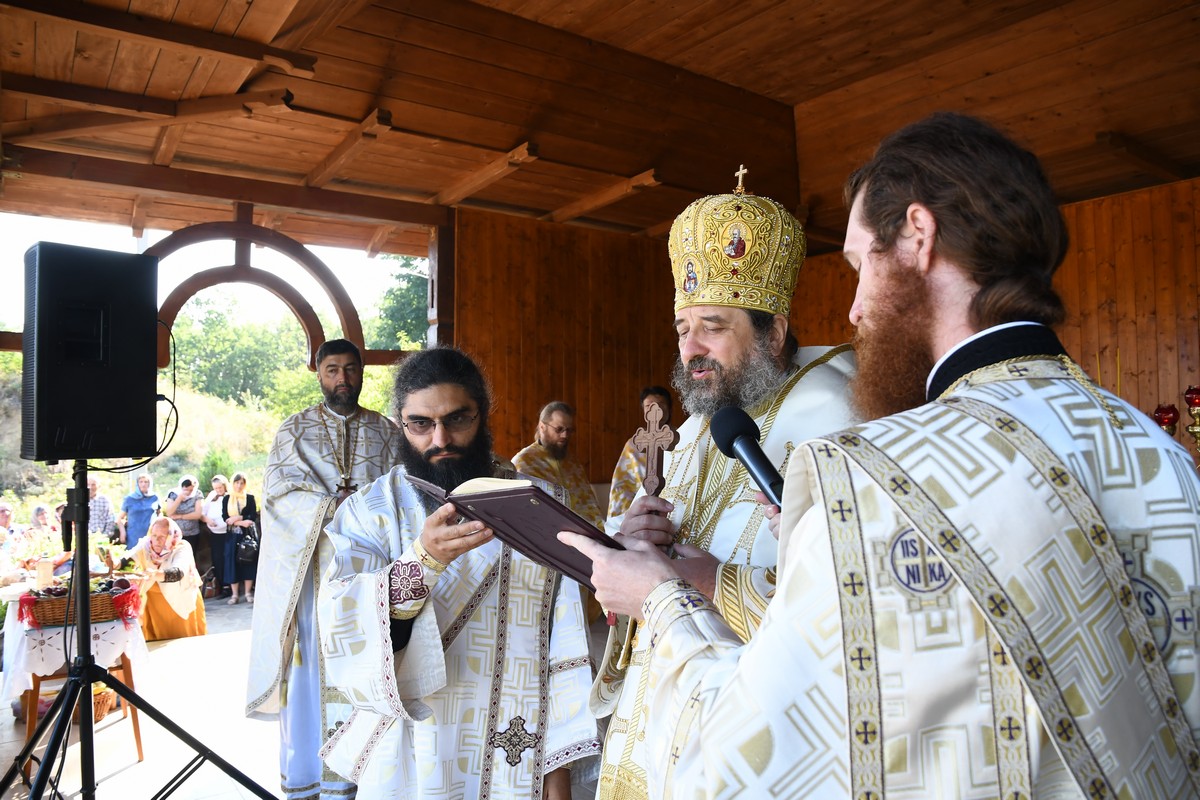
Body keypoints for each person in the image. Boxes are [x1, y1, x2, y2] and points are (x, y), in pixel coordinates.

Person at [564, 112, 1200, 799]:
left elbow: (745, 763)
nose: (855, 309)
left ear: (918, 237)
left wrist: (660, 599)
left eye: (860, 264)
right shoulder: (1158, 451)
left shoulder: (875, 471)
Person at [584, 177, 858, 799]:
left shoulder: (839, 415)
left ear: (774, 331)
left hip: (769, 726)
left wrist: (705, 582)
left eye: (712, 326)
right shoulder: (703, 418)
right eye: (682, 328)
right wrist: (637, 541)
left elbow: (855, 603)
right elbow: (665, 552)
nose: (690, 349)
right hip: (673, 707)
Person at [318, 346, 599, 799]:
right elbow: (342, 626)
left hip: (515, 748)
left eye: (457, 419)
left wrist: (558, 774)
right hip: (412, 750)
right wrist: (421, 562)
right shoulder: (370, 511)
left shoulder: (542, 506)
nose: (440, 439)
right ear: (401, 422)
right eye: (421, 424)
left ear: (483, 415)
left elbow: (563, 650)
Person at [247, 338, 401, 800]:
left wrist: (368, 508)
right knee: (312, 666)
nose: (342, 379)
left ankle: (369, 770)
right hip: (314, 573)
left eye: (351, 369)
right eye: (333, 369)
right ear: (318, 373)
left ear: (362, 373)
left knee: (374, 660)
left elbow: (402, 489)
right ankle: (313, 777)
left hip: (374, 571)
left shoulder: (387, 432)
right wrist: (331, 505)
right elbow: (279, 494)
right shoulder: (293, 431)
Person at [513, 401, 603, 528]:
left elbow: (589, 505)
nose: (565, 435)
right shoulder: (524, 461)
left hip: (584, 533)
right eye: (559, 429)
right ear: (542, 427)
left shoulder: (573, 463)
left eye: (569, 430)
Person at [129, 516, 207, 641]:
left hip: (180, 601)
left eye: (162, 537)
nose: (156, 541)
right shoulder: (146, 545)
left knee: (186, 643)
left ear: (171, 536)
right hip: (155, 606)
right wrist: (115, 563)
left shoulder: (181, 547)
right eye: (154, 535)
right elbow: (128, 560)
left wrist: (155, 574)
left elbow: (178, 572)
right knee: (157, 645)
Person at [606, 386, 673, 518]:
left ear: (669, 409)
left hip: (672, 504)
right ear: (643, 410)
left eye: (660, 405)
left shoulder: (681, 437)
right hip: (640, 509)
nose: (655, 409)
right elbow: (623, 485)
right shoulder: (636, 442)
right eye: (648, 406)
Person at [222, 472, 258, 604]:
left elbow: (252, 516)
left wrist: (238, 518)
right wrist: (241, 522)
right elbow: (225, 517)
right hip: (231, 536)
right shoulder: (227, 499)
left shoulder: (249, 498)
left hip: (246, 536)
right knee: (231, 564)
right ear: (232, 484)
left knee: (248, 561)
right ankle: (235, 595)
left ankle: (248, 593)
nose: (239, 485)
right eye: (237, 483)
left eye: (242, 483)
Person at [164, 475, 206, 571]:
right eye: (186, 490)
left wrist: (180, 516)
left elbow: (197, 514)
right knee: (174, 558)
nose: (189, 492)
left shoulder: (198, 494)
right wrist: (178, 499)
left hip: (192, 533)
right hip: (175, 533)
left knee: (191, 557)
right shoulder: (173, 494)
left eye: (191, 490)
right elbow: (169, 512)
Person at [203, 475, 231, 596]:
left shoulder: (230, 496)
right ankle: (221, 585)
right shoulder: (211, 496)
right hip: (215, 534)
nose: (218, 490)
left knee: (228, 559)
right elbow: (202, 513)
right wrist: (208, 520)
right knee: (217, 559)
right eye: (216, 488)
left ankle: (229, 585)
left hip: (228, 532)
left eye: (220, 487)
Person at [120, 473, 158, 550]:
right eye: (141, 482)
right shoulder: (129, 499)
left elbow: (159, 515)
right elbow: (120, 518)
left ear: (149, 484)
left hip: (149, 534)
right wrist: (122, 533)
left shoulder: (154, 497)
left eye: (146, 482)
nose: (143, 484)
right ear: (137, 484)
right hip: (133, 534)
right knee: (133, 559)